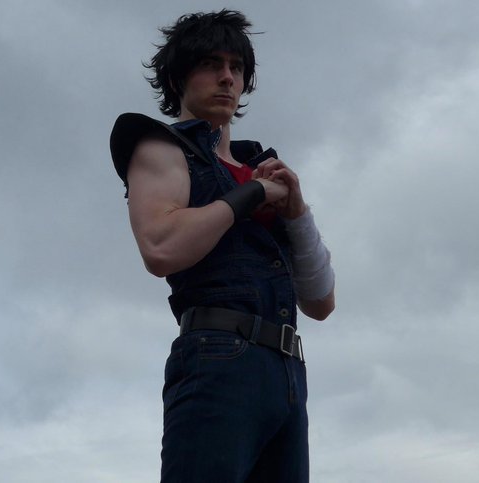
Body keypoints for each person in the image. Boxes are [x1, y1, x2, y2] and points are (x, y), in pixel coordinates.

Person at [110, 9, 335, 483]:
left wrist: (297, 212)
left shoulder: (260, 166)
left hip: (287, 369)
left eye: (236, 67)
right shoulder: (162, 149)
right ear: (178, 77)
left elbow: (320, 302)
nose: (227, 77)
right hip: (217, 355)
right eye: (211, 64)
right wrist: (251, 194)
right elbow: (161, 247)